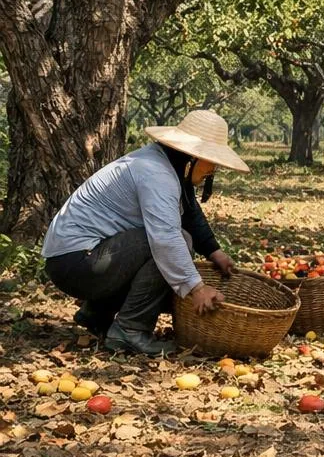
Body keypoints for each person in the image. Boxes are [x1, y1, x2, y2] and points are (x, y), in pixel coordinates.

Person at [42, 110, 248, 355]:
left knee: (174, 240)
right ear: (192, 157)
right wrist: (197, 289)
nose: (212, 170)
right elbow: (165, 238)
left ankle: (96, 314)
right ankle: (130, 330)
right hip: (77, 263)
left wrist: (216, 253)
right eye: (211, 161)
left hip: (76, 259)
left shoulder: (165, 165)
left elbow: (190, 213)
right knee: (178, 241)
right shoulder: (156, 173)